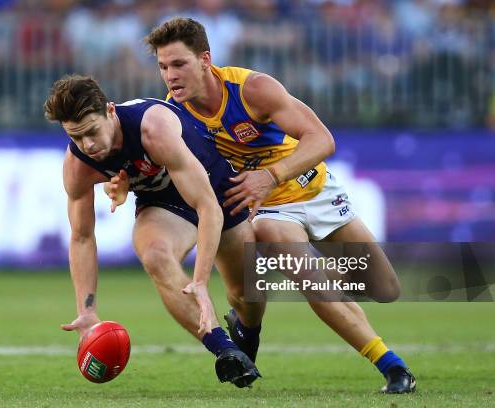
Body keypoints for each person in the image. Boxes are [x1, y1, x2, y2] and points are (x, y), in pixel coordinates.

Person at [141, 17, 416, 394]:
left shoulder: (252, 89)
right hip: (265, 211)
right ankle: (393, 367)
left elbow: (321, 139)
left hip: (314, 190)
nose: (169, 75)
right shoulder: (172, 116)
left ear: (205, 59)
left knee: (384, 288)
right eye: (162, 66)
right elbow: (153, 161)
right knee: (304, 272)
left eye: (179, 64)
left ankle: (252, 320)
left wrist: (270, 175)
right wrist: (124, 181)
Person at [43, 74, 261, 388]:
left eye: (91, 131)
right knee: (156, 256)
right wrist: (87, 311)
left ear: (110, 111)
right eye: (76, 138)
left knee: (247, 294)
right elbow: (81, 236)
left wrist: (199, 280)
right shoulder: (78, 165)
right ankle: (223, 349)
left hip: (216, 192)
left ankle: (246, 332)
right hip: (164, 203)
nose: (87, 145)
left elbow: (207, 207)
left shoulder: (153, 127)